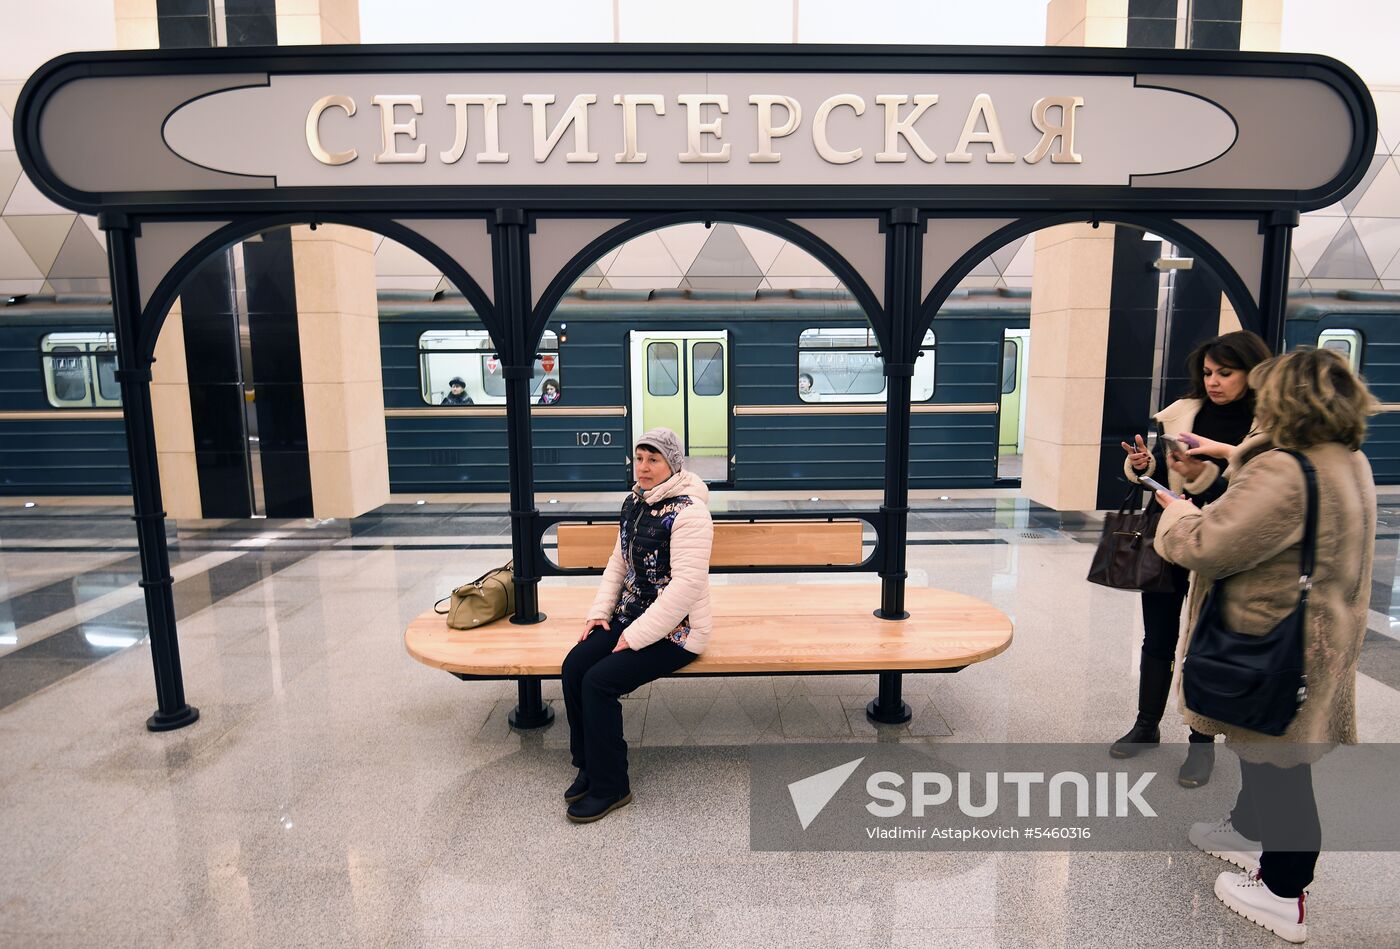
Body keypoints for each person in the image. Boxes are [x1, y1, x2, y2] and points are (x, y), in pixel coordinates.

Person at [1152, 347, 1376, 943]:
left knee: (1280, 760)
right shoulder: (1347, 458)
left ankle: (1283, 889)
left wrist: (1176, 516)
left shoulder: (1286, 467)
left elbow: (1211, 546)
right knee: (1264, 743)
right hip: (1319, 632)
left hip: (1275, 635)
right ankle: (1247, 829)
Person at [1113, 330, 1272, 790]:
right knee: (1157, 637)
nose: (1215, 382)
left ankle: (1200, 744)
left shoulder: (1265, 428)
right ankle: (1146, 725)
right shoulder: (1184, 413)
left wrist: (1210, 474)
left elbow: (1252, 493)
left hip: (1225, 540)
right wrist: (1143, 467)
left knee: (1203, 644)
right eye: (1208, 373)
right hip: (1167, 533)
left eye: (1226, 372)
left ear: (1252, 372)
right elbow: (1165, 475)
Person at [560, 427, 714, 823]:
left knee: (599, 682)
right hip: (630, 615)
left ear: (672, 464)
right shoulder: (635, 501)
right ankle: (589, 765)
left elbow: (686, 587)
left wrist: (635, 636)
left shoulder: (690, 512)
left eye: (653, 459)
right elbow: (620, 562)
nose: (643, 468)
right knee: (574, 666)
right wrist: (600, 612)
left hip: (678, 631)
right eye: (640, 458)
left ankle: (613, 787)